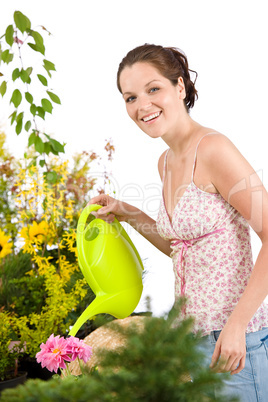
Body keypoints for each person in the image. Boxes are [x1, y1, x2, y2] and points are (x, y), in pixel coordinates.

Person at [88, 44, 268, 400]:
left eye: (153, 89)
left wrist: (236, 326)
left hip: (236, 343)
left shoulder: (214, 149)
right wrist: (128, 212)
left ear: (180, 88)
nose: (142, 106)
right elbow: (181, 248)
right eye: (130, 97)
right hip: (192, 339)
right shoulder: (166, 162)